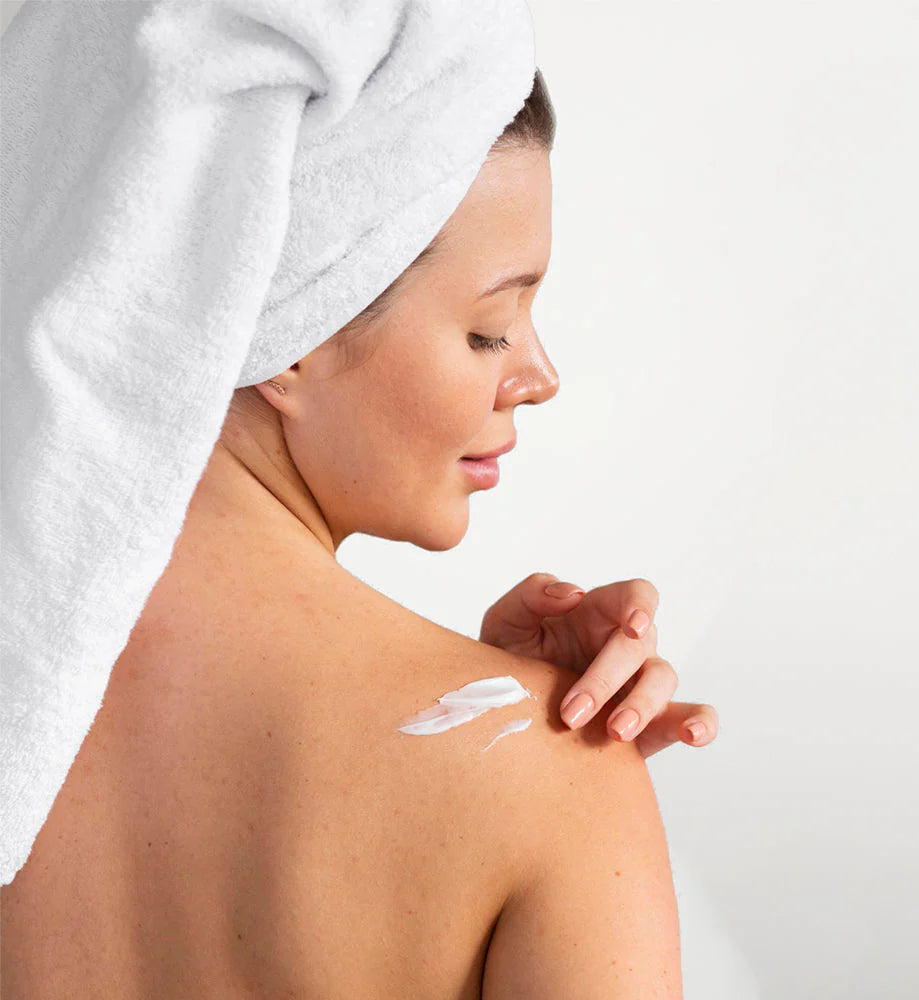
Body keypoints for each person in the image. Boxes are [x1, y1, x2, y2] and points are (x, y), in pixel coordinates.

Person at [1, 70, 716, 999]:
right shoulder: (551, 781)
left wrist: (468, 682)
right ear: (289, 335)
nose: (539, 374)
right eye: (490, 330)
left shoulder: (25, 708)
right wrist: (542, 746)